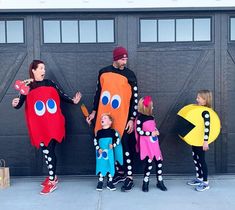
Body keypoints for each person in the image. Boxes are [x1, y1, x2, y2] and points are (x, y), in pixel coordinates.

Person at [12, 60, 81, 195]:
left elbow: (61, 95)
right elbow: (19, 103)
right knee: (46, 151)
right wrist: (14, 103)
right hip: (39, 126)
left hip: (53, 124)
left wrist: (73, 101)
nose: (44, 71)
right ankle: (53, 177)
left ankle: (51, 181)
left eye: (44, 68)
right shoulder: (27, 85)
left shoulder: (49, 83)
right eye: (41, 68)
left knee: (49, 151)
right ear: (34, 70)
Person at [87, 46, 138, 192]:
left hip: (123, 116)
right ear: (115, 58)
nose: (125, 62)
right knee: (110, 144)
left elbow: (134, 99)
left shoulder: (130, 75)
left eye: (126, 59)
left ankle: (129, 177)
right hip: (106, 115)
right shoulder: (104, 72)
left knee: (125, 145)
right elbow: (98, 94)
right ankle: (119, 174)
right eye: (122, 59)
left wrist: (131, 118)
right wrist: (94, 112)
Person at [135, 96, 167, 192]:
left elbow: (153, 127)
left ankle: (160, 181)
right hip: (147, 144)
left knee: (159, 162)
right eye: (151, 106)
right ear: (147, 107)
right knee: (149, 163)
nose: (153, 108)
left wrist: (156, 131)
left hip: (154, 143)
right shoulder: (140, 118)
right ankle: (145, 182)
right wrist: (150, 133)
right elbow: (139, 131)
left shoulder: (151, 117)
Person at [187, 90, 212, 192]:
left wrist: (205, 141)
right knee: (195, 158)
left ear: (205, 100)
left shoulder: (206, 112)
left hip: (201, 141)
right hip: (195, 139)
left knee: (202, 160)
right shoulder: (198, 109)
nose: (196, 99)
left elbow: (207, 127)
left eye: (199, 98)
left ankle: (205, 182)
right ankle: (199, 177)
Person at [94, 113, 123, 191]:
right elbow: (95, 141)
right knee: (101, 166)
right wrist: (98, 148)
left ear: (110, 122)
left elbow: (118, 139)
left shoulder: (113, 132)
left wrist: (113, 145)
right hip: (100, 154)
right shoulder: (99, 132)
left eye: (105, 118)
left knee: (110, 166)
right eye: (102, 118)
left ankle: (110, 182)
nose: (102, 119)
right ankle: (100, 181)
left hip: (109, 154)